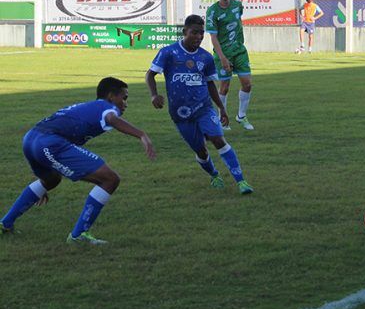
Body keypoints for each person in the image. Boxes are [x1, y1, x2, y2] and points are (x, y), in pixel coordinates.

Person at [0, 77, 156, 245]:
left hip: (30, 139)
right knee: (110, 179)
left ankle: (5, 224)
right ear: (111, 96)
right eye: (124, 98)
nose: (125, 103)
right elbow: (111, 118)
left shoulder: (89, 106)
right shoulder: (106, 106)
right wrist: (141, 134)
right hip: (50, 143)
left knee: (51, 179)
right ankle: (79, 235)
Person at [145, 14, 253, 195]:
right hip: (180, 114)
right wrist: (154, 95)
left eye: (201, 33)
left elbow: (210, 84)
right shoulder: (168, 52)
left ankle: (241, 181)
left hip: (204, 108)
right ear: (184, 32)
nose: (198, 37)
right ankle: (214, 174)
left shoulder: (206, 58)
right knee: (201, 151)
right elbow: (150, 74)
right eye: (194, 33)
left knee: (218, 139)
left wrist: (221, 107)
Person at [205, 0, 254, 131]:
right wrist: (222, 58)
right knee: (224, 87)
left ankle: (241, 116)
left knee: (247, 84)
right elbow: (213, 37)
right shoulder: (212, 11)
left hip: (239, 50)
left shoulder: (237, 5)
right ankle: (222, 119)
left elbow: (238, 21)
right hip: (223, 53)